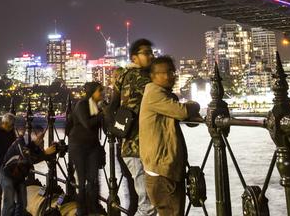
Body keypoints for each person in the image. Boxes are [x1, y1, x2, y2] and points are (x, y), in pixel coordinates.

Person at [139, 56, 201, 216]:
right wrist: (195, 105)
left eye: (173, 71)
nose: (172, 75)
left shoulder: (162, 95)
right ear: (154, 76)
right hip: (162, 171)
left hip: (163, 168)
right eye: (167, 72)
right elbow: (182, 111)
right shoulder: (154, 93)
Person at [107, 38, 156, 216]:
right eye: (146, 53)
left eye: (152, 53)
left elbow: (111, 106)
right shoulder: (143, 78)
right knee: (148, 203)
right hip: (139, 146)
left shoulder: (123, 76)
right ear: (134, 57)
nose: (151, 56)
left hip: (127, 144)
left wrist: (118, 131)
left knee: (142, 199)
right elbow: (161, 98)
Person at [0, 126, 57, 216]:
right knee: (9, 204)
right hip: (8, 175)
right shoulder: (20, 142)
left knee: (22, 203)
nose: (41, 140)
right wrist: (45, 153)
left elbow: (38, 158)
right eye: (39, 137)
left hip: (19, 176)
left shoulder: (33, 146)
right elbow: (29, 158)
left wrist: (52, 150)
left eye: (41, 137)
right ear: (32, 135)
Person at [68, 81, 106, 216]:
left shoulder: (97, 106)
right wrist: (102, 115)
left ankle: (94, 207)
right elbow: (87, 124)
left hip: (92, 146)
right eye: (99, 90)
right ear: (92, 92)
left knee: (94, 179)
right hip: (78, 146)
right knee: (82, 179)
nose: (102, 93)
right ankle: (82, 210)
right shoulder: (82, 104)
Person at [0, 113, 17, 216]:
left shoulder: (10, 132)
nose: (13, 128)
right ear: (5, 123)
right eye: (11, 125)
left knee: (10, 195)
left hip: (11, 166)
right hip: (0, 167)